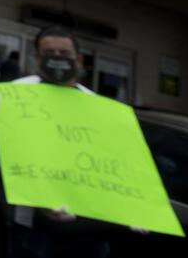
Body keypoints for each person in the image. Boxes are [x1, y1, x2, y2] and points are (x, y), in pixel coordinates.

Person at [7, 27, 119, 258]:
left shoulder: (96, 105)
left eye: (64, 53)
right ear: (37, 58)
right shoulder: (16, 94)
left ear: (78, 59)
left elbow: (111, 160)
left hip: (85, 227)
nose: (57, 58)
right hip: (31, 224)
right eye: (49, 52)